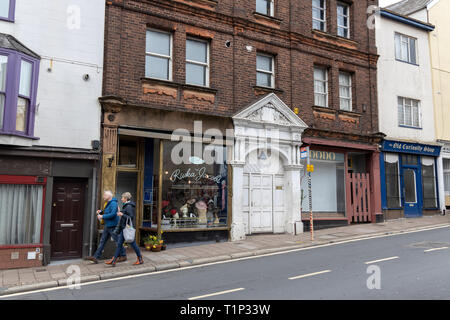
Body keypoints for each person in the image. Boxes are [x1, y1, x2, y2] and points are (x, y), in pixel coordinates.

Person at [85, 191, 127, 264]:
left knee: (117, 241)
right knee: (102, 241)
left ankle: (123, 256)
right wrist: (101, 211)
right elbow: (107, 211)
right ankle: (96, 257)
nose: (103, 196)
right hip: (108, 225)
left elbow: (113, 214)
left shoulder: (113, 203)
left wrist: (102, 216)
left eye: (105, 195)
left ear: (109, 196)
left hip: (113, 226)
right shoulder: (109, 203)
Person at [106, 192, 144, 266]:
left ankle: (140, 259)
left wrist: (122, 214)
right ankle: (113, 260)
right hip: (124, 228)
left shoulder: (129, 206)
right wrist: (120, 212)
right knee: (119, 244)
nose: (121, 199)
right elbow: (125, 214)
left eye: (122, 197)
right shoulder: (126, 206)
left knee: (133, 244)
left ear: (126, 198)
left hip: (127, 229)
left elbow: (131, 217)